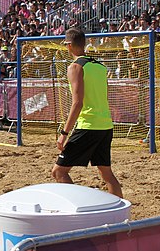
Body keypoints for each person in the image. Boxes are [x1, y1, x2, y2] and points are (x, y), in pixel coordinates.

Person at [51, 28, 122, 197]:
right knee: (107, 175)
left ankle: (79, 209)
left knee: (58, 172)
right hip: (105, 125)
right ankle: (121, 217)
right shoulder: (100, 67)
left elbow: (77, 103)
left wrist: (64, 133)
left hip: (88, 125)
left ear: (68, 45)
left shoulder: (75, 67)